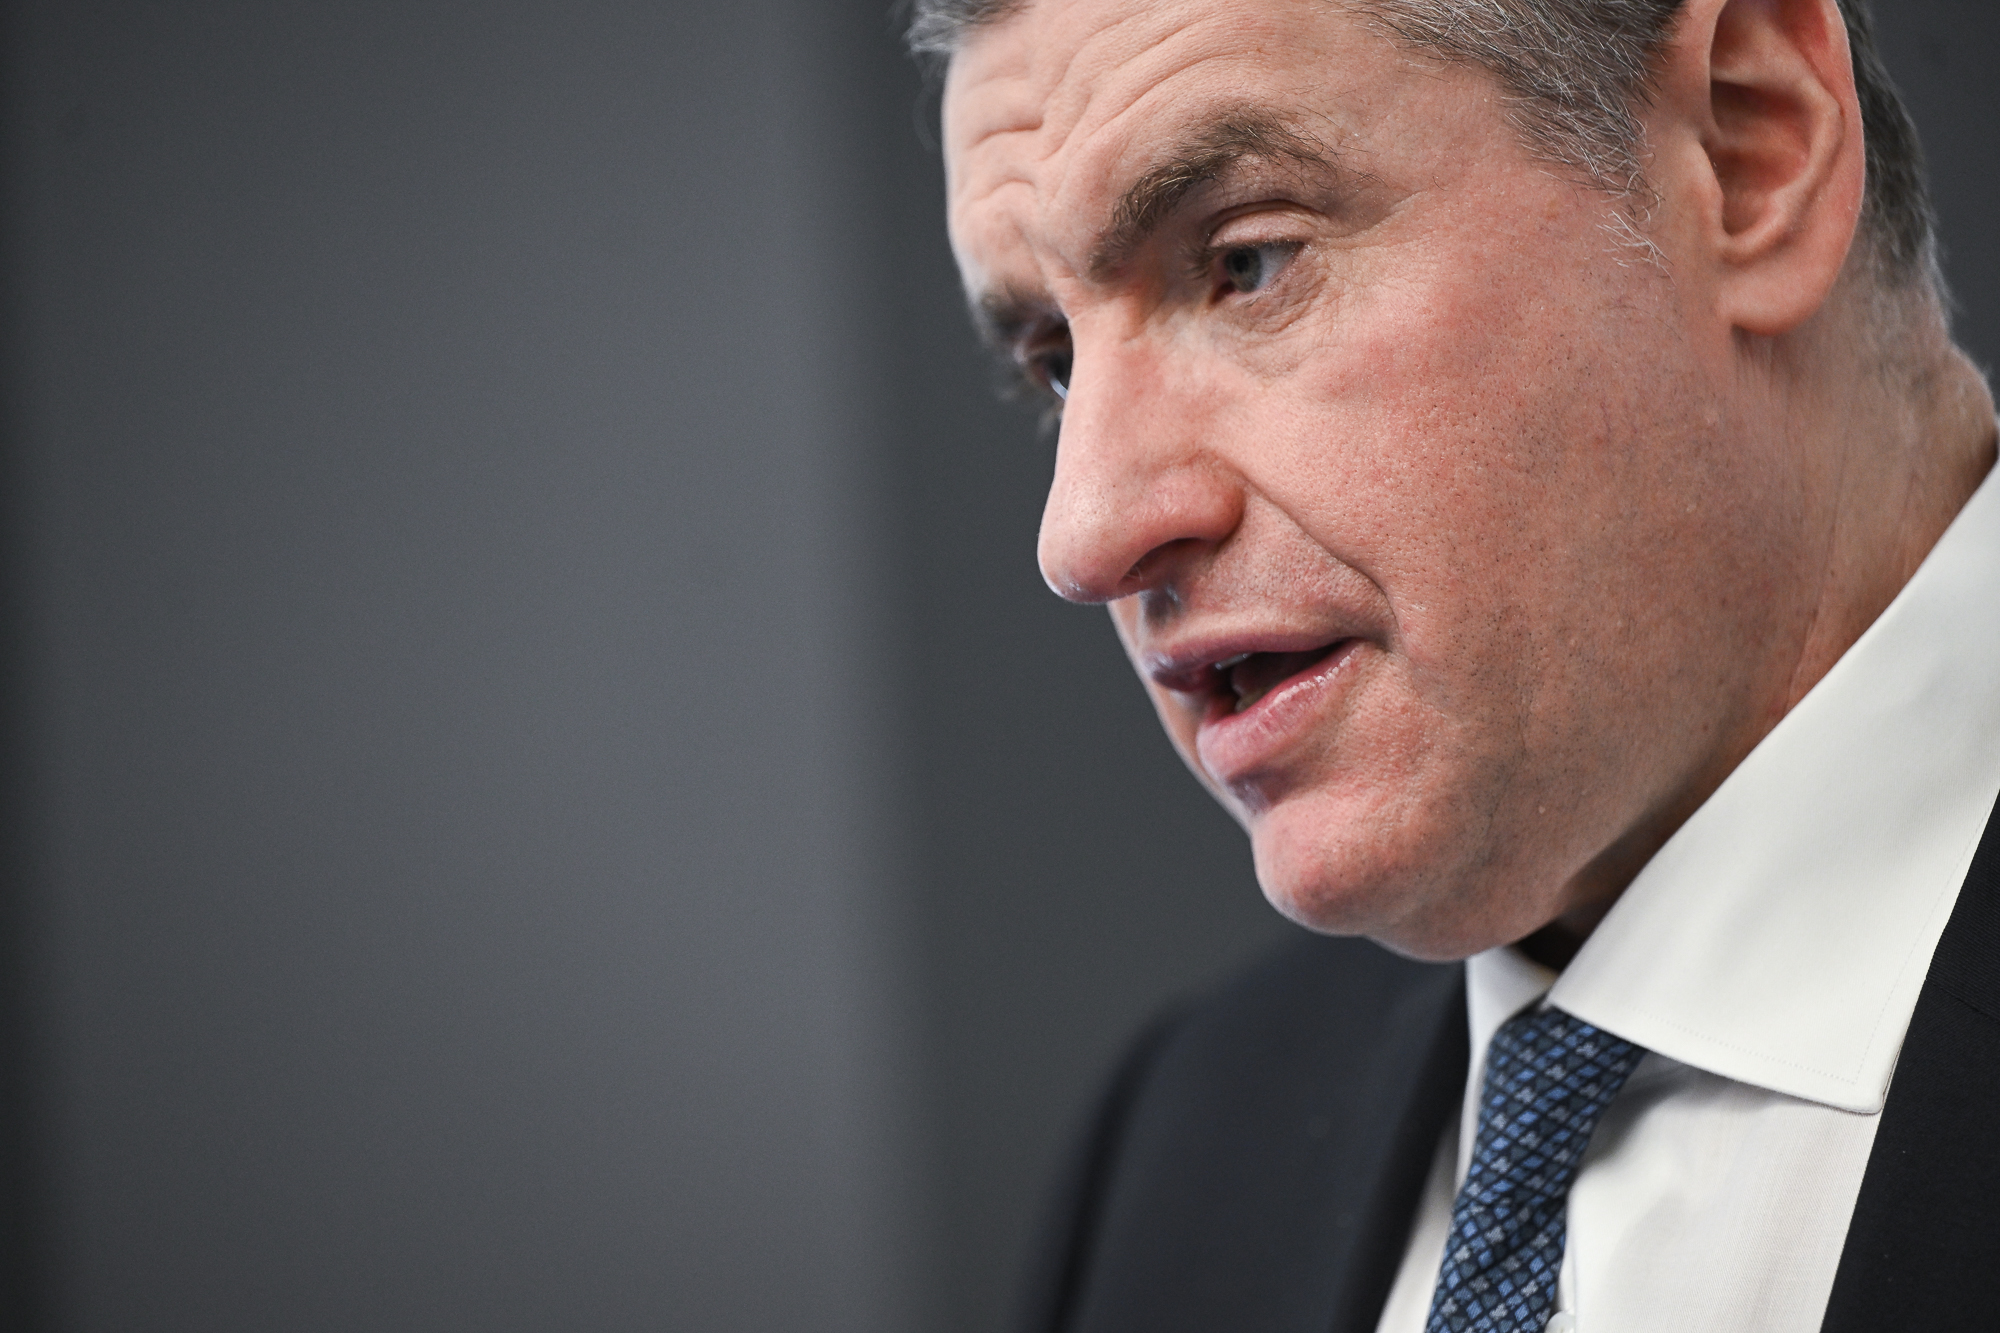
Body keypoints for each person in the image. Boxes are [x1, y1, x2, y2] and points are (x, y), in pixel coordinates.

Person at [909, 0, 2000, 1329]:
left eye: (1247, 262)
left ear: (1748, 149)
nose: (1083, 538)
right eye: (1054, 365)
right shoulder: (1171, 1160)